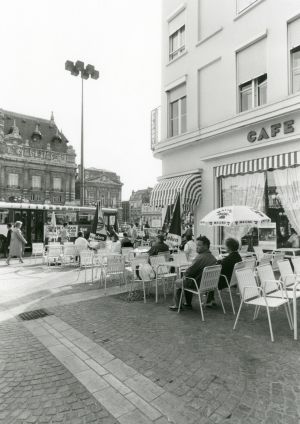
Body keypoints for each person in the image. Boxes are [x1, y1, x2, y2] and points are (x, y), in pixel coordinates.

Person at [169, 236, 217, 310]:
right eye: (196, 245)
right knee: (187, 279)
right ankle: (188, 303)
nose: (196, 247)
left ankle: (177, 305)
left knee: (178, 282)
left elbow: (188, 273)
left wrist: (184, 275)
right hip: (208, 284)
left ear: (206, 246)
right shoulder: (213, 258)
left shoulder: (200, 258)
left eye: (199, 245)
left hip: (198, 284)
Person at [205, 238, 242, 306]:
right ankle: (211, 299)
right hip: (232, 280)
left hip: (224, 281)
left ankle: (209, 300)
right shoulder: (237, 256)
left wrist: (218, 262)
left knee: (209, 277)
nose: (224, 247)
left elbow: (218, 267)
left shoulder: (228, 259)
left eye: (225, 245)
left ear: (229, 247)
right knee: (212, 276)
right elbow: (224, 264)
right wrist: (220, 261)